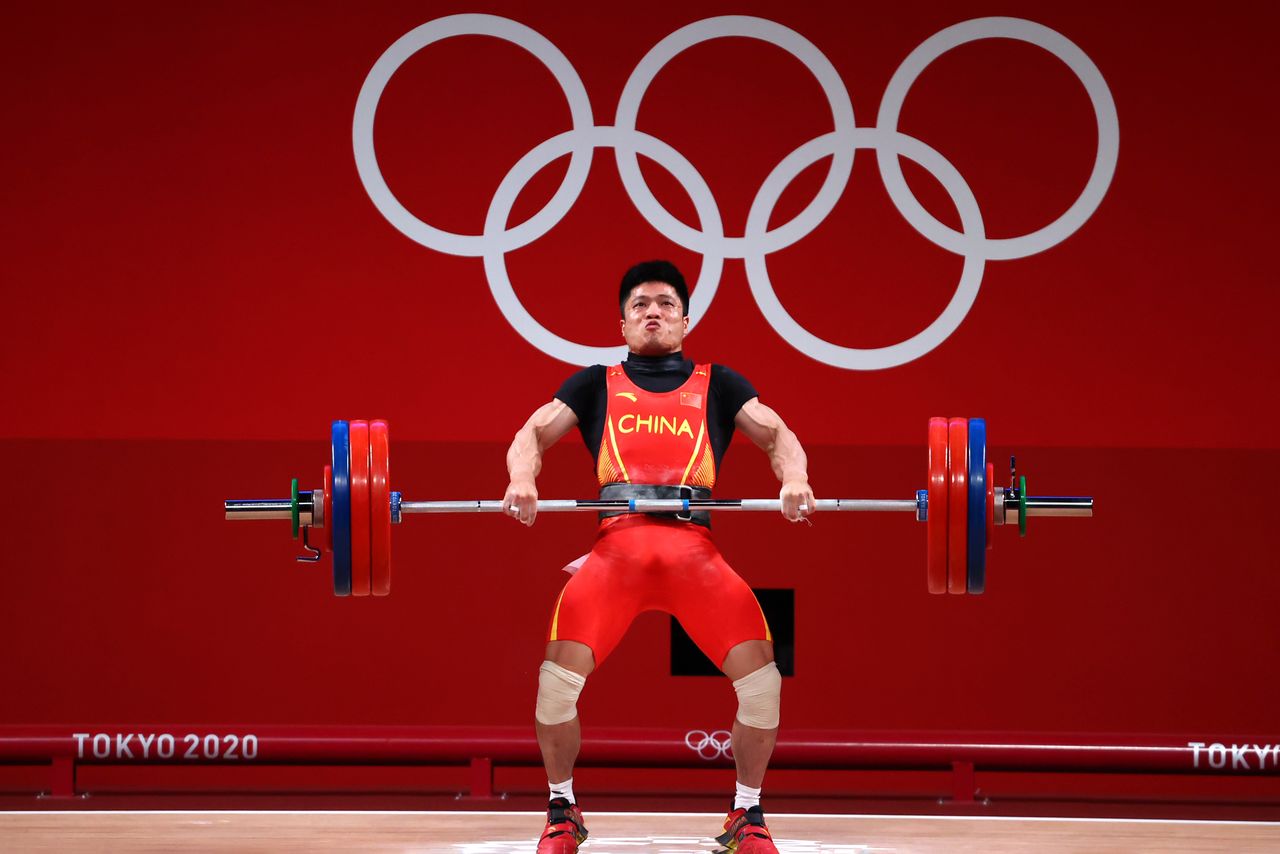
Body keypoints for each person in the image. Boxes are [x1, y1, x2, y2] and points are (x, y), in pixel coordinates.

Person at [502, 260, 814, 854]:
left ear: (685, 319)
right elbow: (532, 434)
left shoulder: (719, 383)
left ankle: (746, 815)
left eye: (666, 304)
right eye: (641, 304)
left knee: (763, 684)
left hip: (694, 554)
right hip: (615, 553)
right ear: (622, 323)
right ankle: (562, 811)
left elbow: (777, 435)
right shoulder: (593, 383)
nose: (653, 312)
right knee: (554, 686)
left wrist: (795, 476)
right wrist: (522, 477)